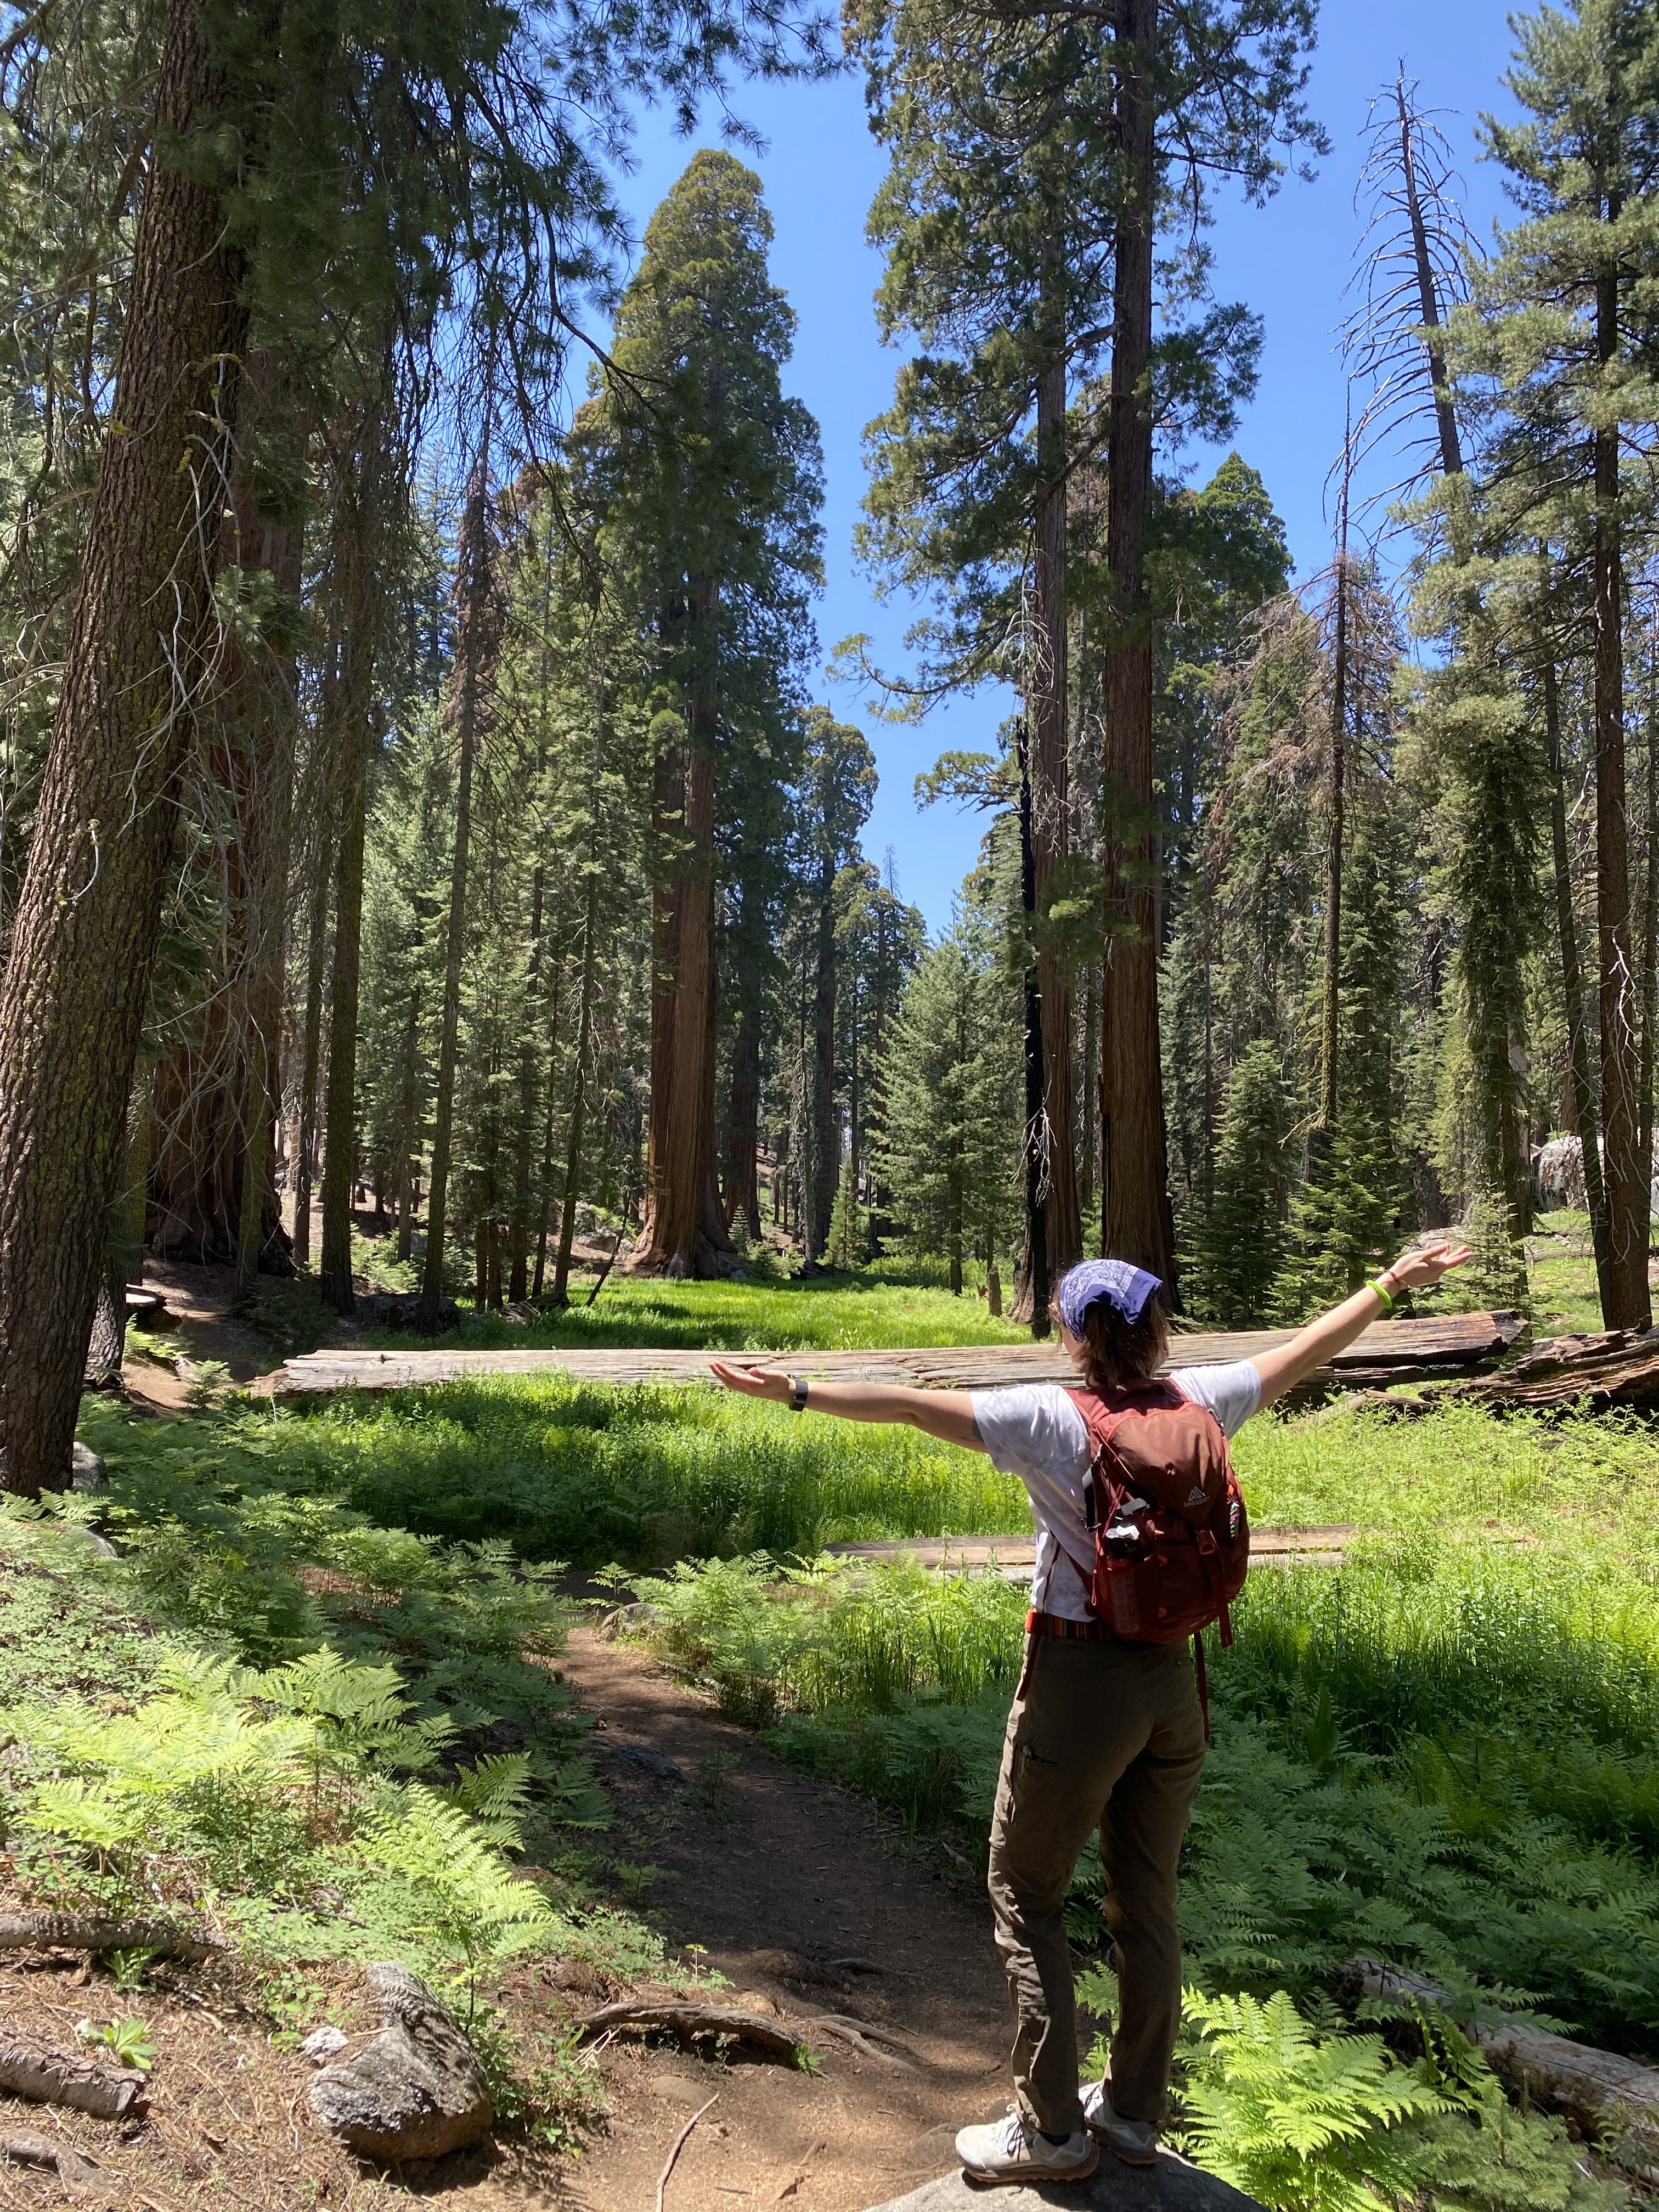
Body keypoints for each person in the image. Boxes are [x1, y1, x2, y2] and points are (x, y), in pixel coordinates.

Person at [711, 1235, 1471, 2184]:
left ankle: (1052, 2132)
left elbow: (908, 1405)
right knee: (1147, 1904)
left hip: (1080, 1685)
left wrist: (789, 1391)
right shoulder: (1205, 1400)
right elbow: (1308, 1349)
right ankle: (1134, 2116)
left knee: (1025, 1892)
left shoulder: (1046, 1416)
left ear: (1074, 1335)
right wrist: (1390, 1285)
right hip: (1174, 1688)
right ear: (1157, 1329)